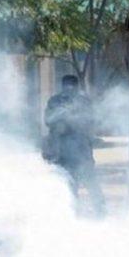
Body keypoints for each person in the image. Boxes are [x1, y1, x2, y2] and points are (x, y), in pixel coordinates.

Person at [42, 75, 106, 217]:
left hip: (81, 149)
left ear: (76, 87)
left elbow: (90, 121)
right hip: (63, 150)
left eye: (71, 86)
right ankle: (73, 214)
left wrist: (73, 118)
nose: (68, 90)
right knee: (70, 184)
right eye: (67, 86)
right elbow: (48, 120)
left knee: (90, 181)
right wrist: (61, 116)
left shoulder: (83, 102)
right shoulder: (55, 101)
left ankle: (100, 212)